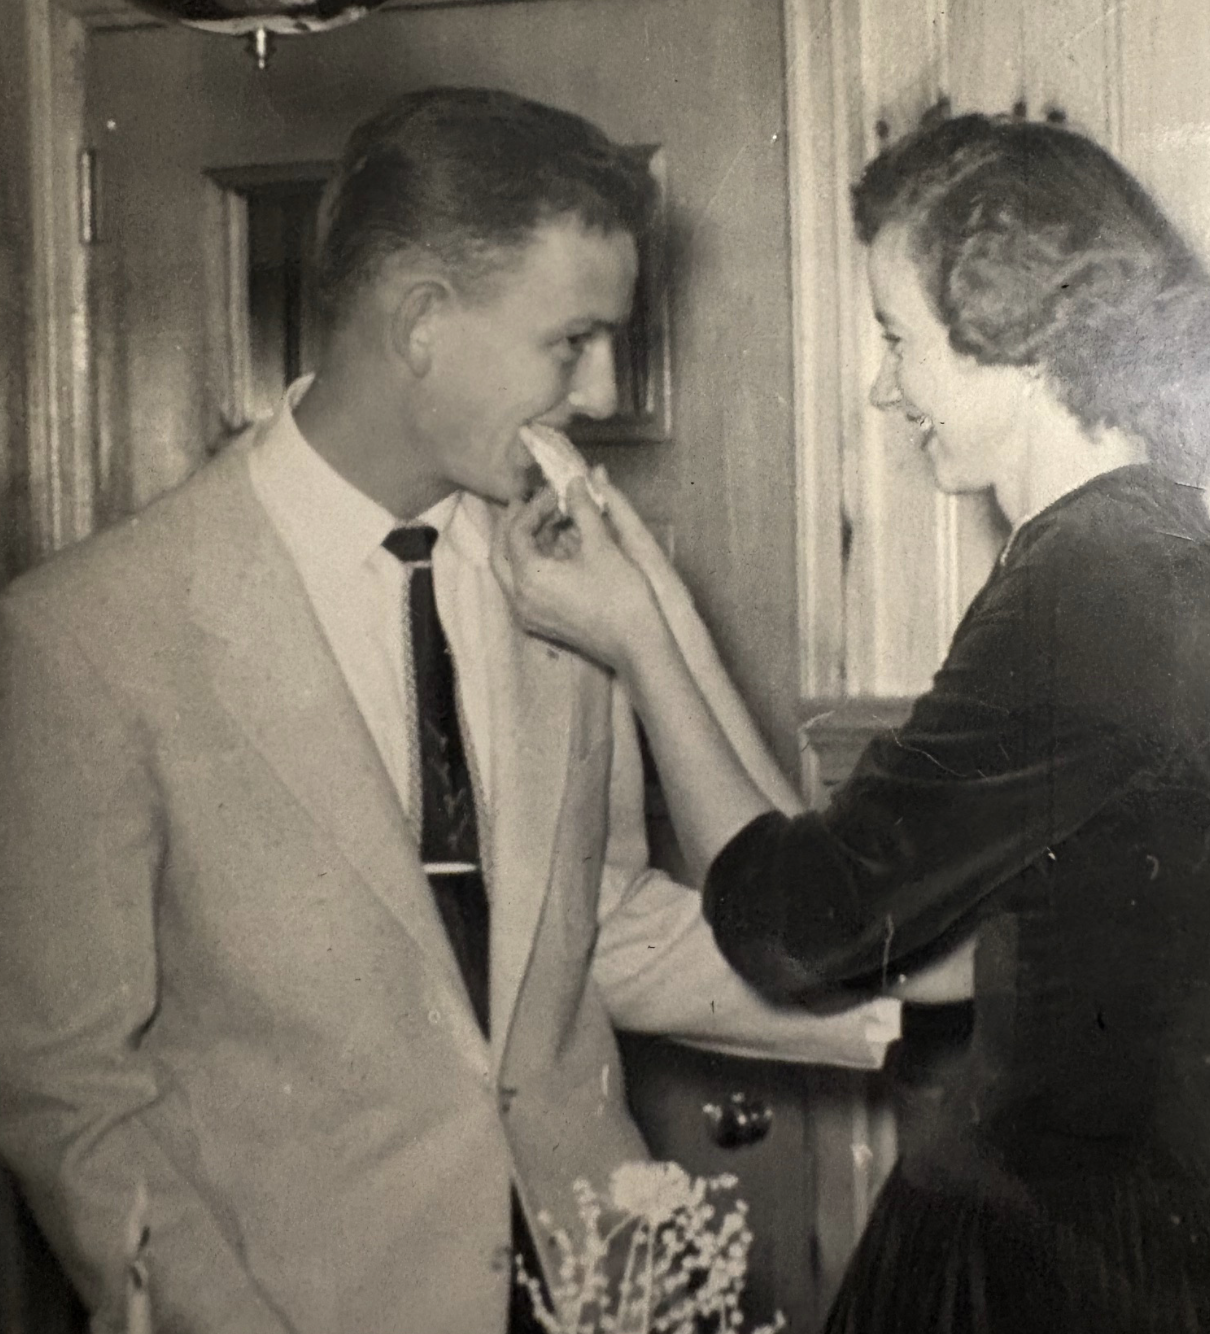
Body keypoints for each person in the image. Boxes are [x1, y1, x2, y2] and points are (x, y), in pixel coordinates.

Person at [0, 86, 898, 1334]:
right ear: (422, 320)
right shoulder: (88, 632)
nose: (601, 390)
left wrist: (921, 989)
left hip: (598, 1291)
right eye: (572, 340)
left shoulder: (560, 578)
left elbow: (592, 927)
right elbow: (71, 1093)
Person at [497, 112, 1210, 1333]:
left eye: (897, 337)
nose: (884, 386)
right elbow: (875, 903)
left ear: (1012, 333)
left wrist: (635, 647)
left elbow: (799, 929)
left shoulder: (1086, 583)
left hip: (1051, 1266)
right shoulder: (1143, 546)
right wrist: (660, 616)